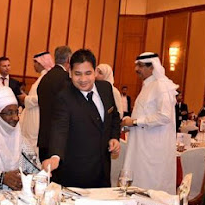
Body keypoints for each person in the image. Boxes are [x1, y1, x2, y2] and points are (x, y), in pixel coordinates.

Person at [42, 49, 121, 188]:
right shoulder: (64, 98)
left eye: (88, 73)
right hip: (77, 172)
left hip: (103, 169)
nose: (83, 79)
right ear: (70, 72)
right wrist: (55, 156)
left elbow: (114, 116)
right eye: (77, 74)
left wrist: (114, 137)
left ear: (95, 71)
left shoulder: (106, 89)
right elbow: (59, 129)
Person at [122, 52, 178, 194]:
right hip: (142, 146)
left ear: (152, 67)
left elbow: (165, 116)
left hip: (153, 150)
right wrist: (129, 125)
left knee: (152, 187)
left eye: (140, 66)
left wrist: (135, 122)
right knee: (139, 183)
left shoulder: (161, 86)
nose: (136, 70)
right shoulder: (148, 86)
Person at [37, 46, 72, 161]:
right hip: (58, 142)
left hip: (43, 137)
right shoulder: (66, 79)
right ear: (68, 60)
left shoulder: (45, 78)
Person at [20, 52, 54, 155]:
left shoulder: (46, 78)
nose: (34, 65)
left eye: (35, 62)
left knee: (33, 144)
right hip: (31, 115)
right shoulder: (41, 77)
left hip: (36, 115)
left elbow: (42, 98)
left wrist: (25, 98)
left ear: (40, 63)